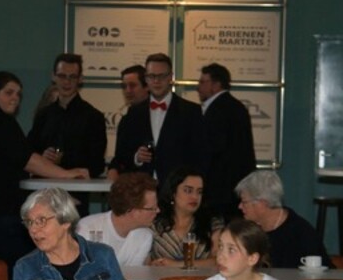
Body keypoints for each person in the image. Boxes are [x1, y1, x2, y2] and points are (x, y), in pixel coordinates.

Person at [0, 71, 89, 269]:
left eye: (18, 94)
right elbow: (27, 159)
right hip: (2, 212)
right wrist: (67, 174)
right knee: (16, 268)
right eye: (8, 92)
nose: (15, 98)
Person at [108, 53, 209, 187]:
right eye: (151, 76)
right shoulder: (133, 114)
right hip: (141, 189)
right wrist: (137, 157)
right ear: (146, 78)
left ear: (171, 77)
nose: (156, 81)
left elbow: (200, 157)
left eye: (162, 76)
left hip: (177, 189)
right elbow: (121, 156)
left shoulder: (191, 112)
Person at [27, 53, 107, 179]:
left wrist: (63, 159)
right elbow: (28, 153)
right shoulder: (43, 115)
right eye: (62, 76)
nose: (66, 82)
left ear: (80, 79)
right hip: (43, 187)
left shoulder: (94, 117)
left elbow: (97, 164)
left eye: (72, 77)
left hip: (77, 188)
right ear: (53, 76)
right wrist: (42, 157)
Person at [236, 170, 332, 268]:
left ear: (262, 203)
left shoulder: (301, 235)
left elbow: (325, 273)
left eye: (244, 202)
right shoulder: (247, 231)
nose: (240, 206)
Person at [198, 63, 256, 222]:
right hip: (236, 187)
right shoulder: (236, 107)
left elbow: (212, 150)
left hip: (219, 189)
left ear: (216, 84)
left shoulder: (217, 110)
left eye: (203, 82)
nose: (198, 87)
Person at [75, 172, 157, 266]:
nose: (158, 210)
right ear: (131, 210)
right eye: (152, 208)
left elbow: (134, 273)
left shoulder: (145, 236)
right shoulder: (87, 229)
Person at [149, 166, 218, 267]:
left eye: (199, 192)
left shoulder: (212, 223)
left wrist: (178, 265)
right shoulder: (155, 222)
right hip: (160, 277)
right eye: (188, 191)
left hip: (202, 277)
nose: (195, 197)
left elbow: (218, 261)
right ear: (173, 193)